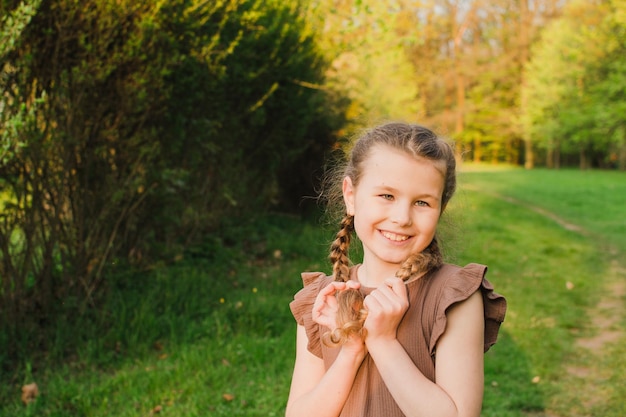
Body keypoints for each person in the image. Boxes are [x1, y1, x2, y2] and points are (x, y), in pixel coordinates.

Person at [286, 122, 507, 417]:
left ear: (441, 207)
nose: (402, 218)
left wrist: (383, 341)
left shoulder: (454, 297)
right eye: (387, 196)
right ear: (350, 195)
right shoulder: (321, 300)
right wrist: (350, 352)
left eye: (422, 202)